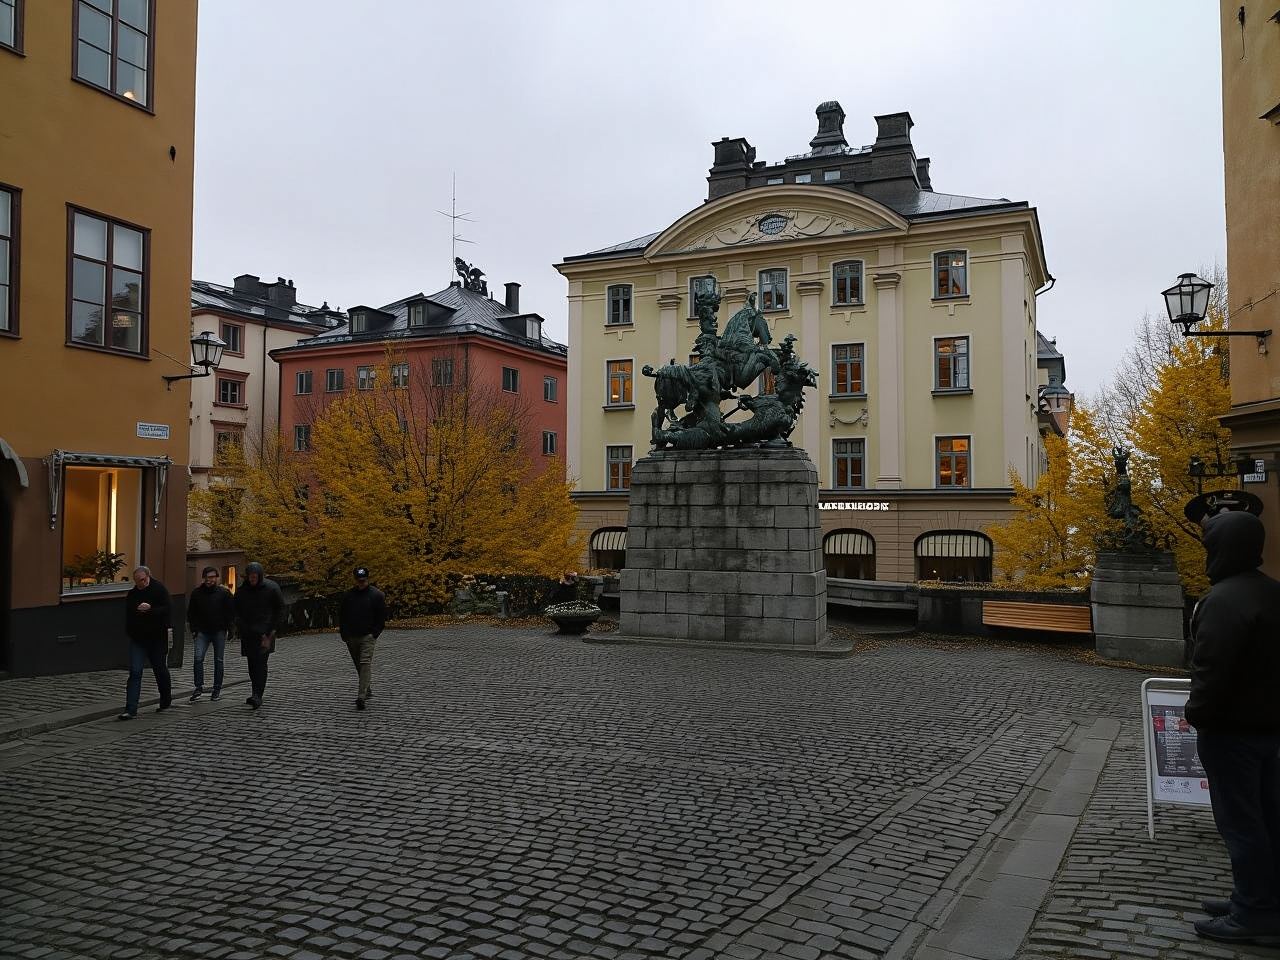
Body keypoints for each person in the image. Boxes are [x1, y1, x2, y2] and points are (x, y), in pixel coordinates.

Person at [1186, 510, 1280, 946]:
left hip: (1232, 731)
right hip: (1270, 729)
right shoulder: (1272, 593)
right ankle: (1259, 896)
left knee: (1241, 822)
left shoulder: (1223, 601)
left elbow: (1212, 671)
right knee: (1268, 818)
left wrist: (1197, 714)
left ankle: (1253, 913)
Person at [119, 565, 173, 720]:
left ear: (148, 576)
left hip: (157, 639)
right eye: (137, 581)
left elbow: (167, 610)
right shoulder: (133, 594)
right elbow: (129, 614)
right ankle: (130, 708)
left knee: (160, 669)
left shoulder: (159, 590)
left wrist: (150, 610)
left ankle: (165, 699)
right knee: (135, 672)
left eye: (142, 580)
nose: (140, 584)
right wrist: (132, 628)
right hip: (138, 639)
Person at [234, 561, 284, 710]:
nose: (252, 579)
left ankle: (257, 695)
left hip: (266, 633)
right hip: (248, 632)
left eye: (255, 576)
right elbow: (236, 609)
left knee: (260, 664)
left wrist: (273, 629)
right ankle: (255, 691)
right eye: (250, 576)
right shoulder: (242, 591)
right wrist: (238, 624)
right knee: (252, 664)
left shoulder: (271, 588)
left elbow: (280, 609)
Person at [338, 566, 386, 711]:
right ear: (355, 580)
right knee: (359, 665)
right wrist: (344, 634)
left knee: (365, 663)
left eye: (363, 580)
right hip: (351, 636)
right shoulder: (348, 596)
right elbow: (342, 615)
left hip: (367, 636)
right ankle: (367, 688)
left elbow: (381, 617)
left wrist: (374, 633)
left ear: (367, 579)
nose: (361, 583)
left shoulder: (377, 595)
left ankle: (361, 696)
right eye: (359, 581)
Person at [186, 566, 235, 702]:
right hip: (202, 631)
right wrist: (194, 629)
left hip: (219, 630)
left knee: (218, 660)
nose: (210, 580)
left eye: (212, 577)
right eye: (208, 577)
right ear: (204, 578)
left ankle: (217, 688)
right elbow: (191, 613)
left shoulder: (224, 593)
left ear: (216, 578)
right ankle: (198, 686)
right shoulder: (197, 593)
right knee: (198, 658)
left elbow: (230, 612)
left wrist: (231, 628)